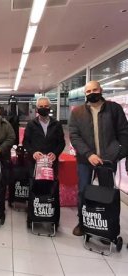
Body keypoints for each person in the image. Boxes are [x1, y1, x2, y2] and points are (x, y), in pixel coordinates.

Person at [69, 80, 128, 236]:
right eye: (88, 91)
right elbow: (74, 136)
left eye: (94, 90)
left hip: (108, 161)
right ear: (85, 94)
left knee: (106, 192)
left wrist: (117, 153)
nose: (92, 93)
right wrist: (89, 154)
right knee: (83, 190)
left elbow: (124, 133)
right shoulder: (77, 112)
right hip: (85, 160)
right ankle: (82, 222)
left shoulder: (114, 109)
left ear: (101, 90)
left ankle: (105, 224)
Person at [23, 96, 65, 175]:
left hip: (51, 163)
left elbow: (61, 143)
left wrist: (55, 153)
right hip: (35, 163)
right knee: (35, 186)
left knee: (51, 186)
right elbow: (25, 142)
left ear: (50, 107)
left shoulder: (57, 124)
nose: (43, 108)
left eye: (46, 106)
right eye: (41, 106)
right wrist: (33, 153)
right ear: (37, 108)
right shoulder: (31, 124)